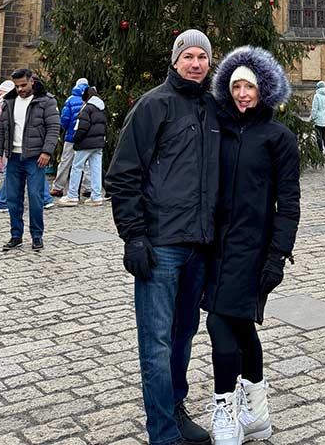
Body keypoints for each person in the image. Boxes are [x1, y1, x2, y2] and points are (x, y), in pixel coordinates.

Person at [104, 29, 220, 445]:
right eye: (187, 55)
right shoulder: (154, 105)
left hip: (199, 246)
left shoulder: (213, 108)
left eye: (202, 57)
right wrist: (133, 236)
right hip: (161, 244)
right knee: (155, 342)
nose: (195, 63)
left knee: (184, 334)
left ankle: (174, 406)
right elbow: (123, 174)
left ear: (210, 62)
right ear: (175, 61)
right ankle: (163, 434)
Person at [204, 46, 300, 445]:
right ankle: (257, 413)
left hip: (252, 246)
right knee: (241, 326)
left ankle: (225, 407)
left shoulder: (278, 136)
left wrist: (278, 255)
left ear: (264, 89)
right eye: (236, 85)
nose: (243, 93)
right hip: (213, 244)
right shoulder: (218, 129)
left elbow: (289, 203)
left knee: (218, 322)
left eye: (250, 86)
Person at [0, 70, 60, 252]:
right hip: (13, 157)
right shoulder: (9, 101)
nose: (20, 89)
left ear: (31, 82)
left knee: (36, 198)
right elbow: (1, 129)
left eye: (23, 85)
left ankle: (37, 236)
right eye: (17, 86)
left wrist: (46, 151)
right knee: (13, 199)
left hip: (35, 158)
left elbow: (53, 128)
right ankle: (16, 236)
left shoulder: (46, 101)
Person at [58, 85, 107, 207]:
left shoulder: (87, 108)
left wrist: (76, 139)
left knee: (77, 167)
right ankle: (96, 196)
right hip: (98, 143)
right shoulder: (101, 108)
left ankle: (72, 195)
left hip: (85, 143)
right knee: (96, 169)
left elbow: (82, 127)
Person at [50, 76, 89, 196]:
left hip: (71, 135)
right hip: (86, 136)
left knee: (66, 161)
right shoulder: (90, 99)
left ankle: (58, 187)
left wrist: (66, 128)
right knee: (87, 163)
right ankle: (87, 188)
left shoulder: (71, 99)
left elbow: (65, 118)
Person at [309, 80, 325, 157]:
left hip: (318, 119)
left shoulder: (317, 96)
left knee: (318, 136)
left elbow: (314, 109)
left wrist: (312, 119)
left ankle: (320, 150)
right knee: (323, 135)